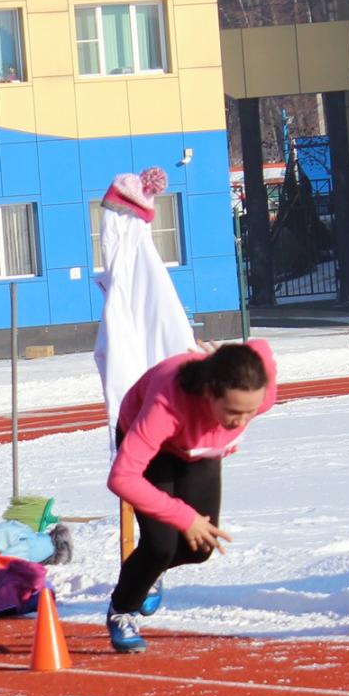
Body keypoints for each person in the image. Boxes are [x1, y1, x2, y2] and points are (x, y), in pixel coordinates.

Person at [105, 341, 279, 654]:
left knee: (199, 548)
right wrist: (185, 517)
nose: (240, 422)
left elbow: (261, 348)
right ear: (209, 392)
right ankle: (122, 609)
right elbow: (122, 478)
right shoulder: (167, 403)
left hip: (199, 450)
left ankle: (151, 573)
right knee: (160, 545)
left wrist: (227, 355)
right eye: (232, 412)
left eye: (249, 413)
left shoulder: (260, 392)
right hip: (154, 451)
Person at [94, 166, 197, 620]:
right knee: (151, 499)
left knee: (186, 531)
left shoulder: (148, 286)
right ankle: (145, 570)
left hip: (169, 394)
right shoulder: (127, 291)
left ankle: (150, 563)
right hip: (137, 408)